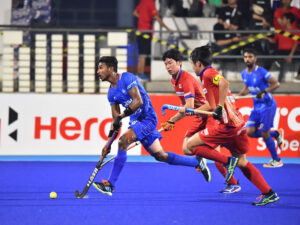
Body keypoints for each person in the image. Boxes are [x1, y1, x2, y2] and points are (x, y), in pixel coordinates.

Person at [92, 56, 210, 196]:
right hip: (136, 121)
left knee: (123, 141)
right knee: (160, 155)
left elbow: (138, 101)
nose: (98, 71)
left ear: (111, 69)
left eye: (101, 68)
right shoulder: (111, 93)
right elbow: (115, 121)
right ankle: (196, 162)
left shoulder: (127, 78)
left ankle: (110, 185)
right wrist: (108, 143)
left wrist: (121, 117)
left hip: (148, 118)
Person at [185, 45, 279, 206]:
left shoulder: (207, 73)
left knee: (189, 147)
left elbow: (224, 83)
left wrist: (220, 106)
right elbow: (211, 105)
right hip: (238, 125)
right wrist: (191, 111)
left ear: (199, 63)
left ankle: (227, 161)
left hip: (227, 127)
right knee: (242, 161)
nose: (192, 68)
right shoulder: (208, 76)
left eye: (192, 64)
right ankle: (268, 193)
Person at [161, 48, 241, 193]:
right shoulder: (174, 79)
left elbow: (189, 107)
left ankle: (233, 183)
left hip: (209, 115)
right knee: (186, 147)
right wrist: (172, 121)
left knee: (215, 154)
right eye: (165, 64)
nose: (168, 67)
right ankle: (201, 161)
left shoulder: (186, 80)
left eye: (170, 63)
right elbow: (185, 108)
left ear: (179, 63)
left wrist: (175, 118)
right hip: (199, 116)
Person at [235, 48, 284, 167]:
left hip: (267, 105)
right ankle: (276, 134)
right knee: (250, 132)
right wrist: (239, 95)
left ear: (255, 58)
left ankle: (276, 160)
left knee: (264, 133)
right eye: (246, 57)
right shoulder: (244, 73)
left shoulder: (261, 71)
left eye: (250, 56)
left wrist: (264, 91)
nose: (247, 59)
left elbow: (276, 83)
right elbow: (248, 87)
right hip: (256, 106)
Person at [133, 0, 171, 81]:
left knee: (141, 54)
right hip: (146, 31)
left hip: (140, 31)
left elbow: (135, 13)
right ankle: (140, 74)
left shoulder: (143, 1)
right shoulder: (151, 3)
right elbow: (157, 17)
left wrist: (144, 17)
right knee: (144, 54)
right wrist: (167, 28)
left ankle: (139, 74)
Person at [267, 13, 300, 82]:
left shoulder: (296, 30)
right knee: (269, 57)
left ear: (288, 20)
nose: (282, 21)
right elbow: (274, 40)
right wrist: (266, 38)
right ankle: (261, 76)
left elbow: (296, 43)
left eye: (283, 19)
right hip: (281, 51)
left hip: (292, 51)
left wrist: (291, 55)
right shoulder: (280, 30)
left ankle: (298, 76)